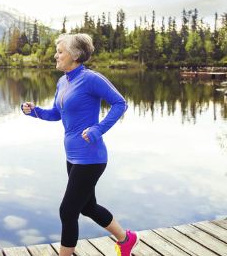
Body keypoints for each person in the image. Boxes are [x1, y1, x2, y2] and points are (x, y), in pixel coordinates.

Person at [21, 33, 139, 256]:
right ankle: (126, 239)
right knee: (87, 207)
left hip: (91, 158)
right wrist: (34, 111)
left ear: (74, 55)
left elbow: (120, 103)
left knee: (68, 211)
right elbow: (57, 113)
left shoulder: (91, 79)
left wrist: (98, 129)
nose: (56, 55)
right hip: (73, 157)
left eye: (60, 51)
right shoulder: (63, 81)